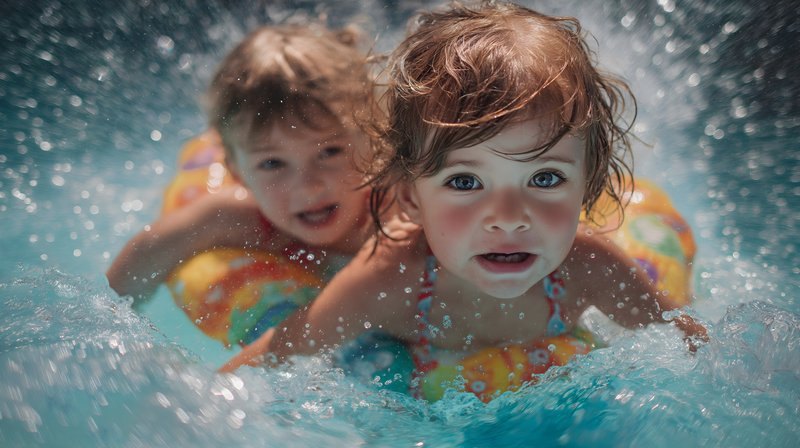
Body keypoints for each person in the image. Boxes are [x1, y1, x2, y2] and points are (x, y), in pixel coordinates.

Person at [221, 1, 707, 402]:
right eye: (466, 183)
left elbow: (692, 347)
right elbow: (279, 353)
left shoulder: (589, 268)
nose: (510, 218)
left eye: (544, 176)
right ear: (410, 197)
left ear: (589, 183)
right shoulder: (389, 280)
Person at [106, 23, 377, 346]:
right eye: (273, 163)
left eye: (329, 152)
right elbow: (148, 253)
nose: (308, 187)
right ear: (236, 171)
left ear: (375, 140)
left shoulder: (398, 214)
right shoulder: (240, 217)